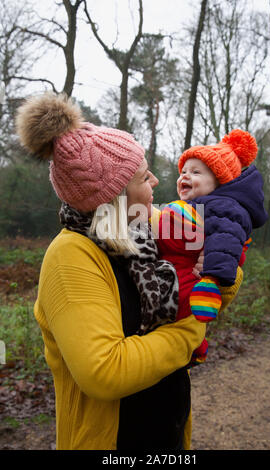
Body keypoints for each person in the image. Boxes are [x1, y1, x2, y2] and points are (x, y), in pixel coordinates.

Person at [15, 92, 243, 450]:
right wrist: (193, 327)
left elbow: (217, 291)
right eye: (141, 176)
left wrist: (218, 268)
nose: (154, 181)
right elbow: (105, 372)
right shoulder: (71, 257)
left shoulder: (149, 227)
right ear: (114, 198)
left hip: (168, 435)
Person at [156, 130, 268, 366]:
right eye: (183, 171)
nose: (186, 176)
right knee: (176, 313)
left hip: (198, 276)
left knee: (184, 311)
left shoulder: (224, 207)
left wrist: (212, 277)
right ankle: (193, 346)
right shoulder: (198, 205)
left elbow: (226, 241)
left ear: (218, 181)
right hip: (176, 269)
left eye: (196, 172)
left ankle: (196, 347)